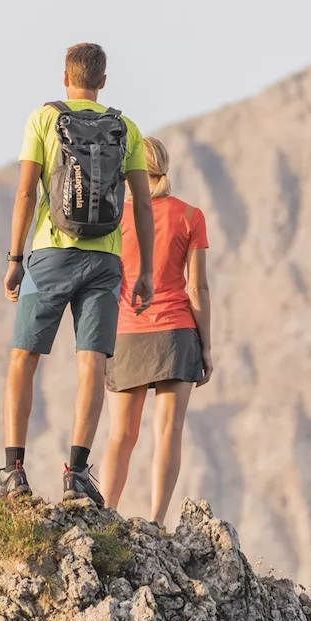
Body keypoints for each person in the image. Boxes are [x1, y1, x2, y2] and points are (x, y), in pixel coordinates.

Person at [0, 42, 155, 506]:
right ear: (103, 81)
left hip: (50, 253)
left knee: (23, 358)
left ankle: (14, 472)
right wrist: (144, 269)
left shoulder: (44, 119)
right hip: (106, 261)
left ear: (65, 78)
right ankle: (77, 473)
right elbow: (143, 203)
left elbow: (26, 193)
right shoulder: (125, 126)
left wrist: (14, 260)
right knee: (91, 362)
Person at [100, 137, 214, 525]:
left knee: (121, 435)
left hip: (126, 333)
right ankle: (156, 521)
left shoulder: (115, 217)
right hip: (177, 334)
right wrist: (207, 346)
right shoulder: (189, 216)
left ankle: (104, 515)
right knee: (168, 431)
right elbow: (197, 288)